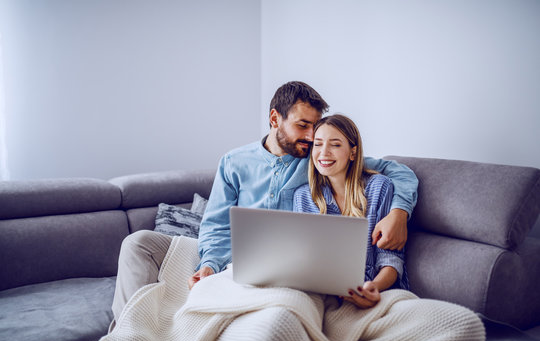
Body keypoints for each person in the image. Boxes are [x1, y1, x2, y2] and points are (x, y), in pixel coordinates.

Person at [111, 81, 418, 321]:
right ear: (275, 118)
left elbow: (396, 171)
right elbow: (216, 224)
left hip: (282, 266)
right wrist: (209, 265)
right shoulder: (234, 161)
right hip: (227, 257)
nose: (312, 136)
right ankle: (127, 333)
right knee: (138, 243)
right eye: (302, 125)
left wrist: (399, 212)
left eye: (315, 125)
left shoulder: (317, 159)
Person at [293, 114, 408, 309]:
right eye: (318, 144)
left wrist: (374, 288)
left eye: (335, 145)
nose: (324, 152)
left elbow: (390, 258)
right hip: (318, 294)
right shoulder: (303, 197)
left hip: (369, 292)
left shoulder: (378, 187)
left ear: (353, 153)